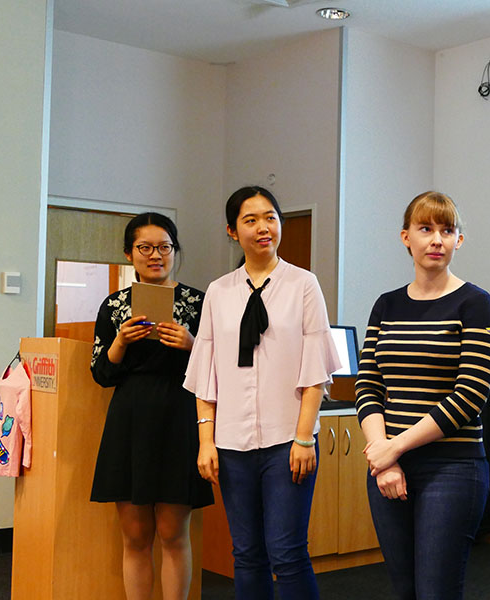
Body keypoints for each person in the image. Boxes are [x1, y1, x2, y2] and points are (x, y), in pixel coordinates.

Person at [183, 185, 340, 599]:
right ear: (232, 231)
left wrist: (304, 438)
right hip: (231, 444)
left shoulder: (303, 285)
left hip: (287, 441)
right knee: (247, 554)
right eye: (250, 220)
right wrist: (206, 441)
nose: (263, 228)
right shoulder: (219, 292)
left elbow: (315, 371)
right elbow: (206, 373)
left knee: (287, 553)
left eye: (270, 218)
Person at [355, 191, 490, 600]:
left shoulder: (475, 303)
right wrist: (383, 456)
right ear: (406, 237)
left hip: (452, 468)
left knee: (436, 591)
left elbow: (471, 395)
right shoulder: (386, 305)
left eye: (447, 230)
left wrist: (394, 447)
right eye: (425, 229)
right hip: (388, 466)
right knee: (405, 590)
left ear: (459, 240)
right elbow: (368, 385)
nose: (437, 239)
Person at [90, 212, 213, 600]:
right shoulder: (114, 306)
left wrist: (192, 345)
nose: (155, 255)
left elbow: (222, 369)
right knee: (135, 535)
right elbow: (100, 373)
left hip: (180, 416)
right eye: (145, 247)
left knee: (174, 534)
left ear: (175, 250)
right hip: (129, 419)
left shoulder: (199, 303)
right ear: (129, 253)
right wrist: (121, 341)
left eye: (164, 247)